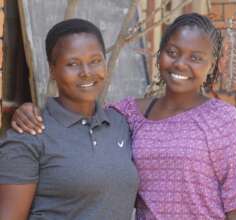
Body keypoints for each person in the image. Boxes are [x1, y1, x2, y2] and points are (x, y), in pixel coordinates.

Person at [10, 13, 236, 220]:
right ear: (159, 53)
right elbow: (77, 112)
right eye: (172, 52)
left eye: (196, 57)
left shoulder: (224, 121)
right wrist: (26, 110)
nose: (181, 64)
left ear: (212, 64)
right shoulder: (127, 115)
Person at [0, 18, 139, 220]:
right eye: (72, 64)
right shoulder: (30, 134)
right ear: (52, 69)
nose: (86, 72)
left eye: (95, 61)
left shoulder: (120, 124)